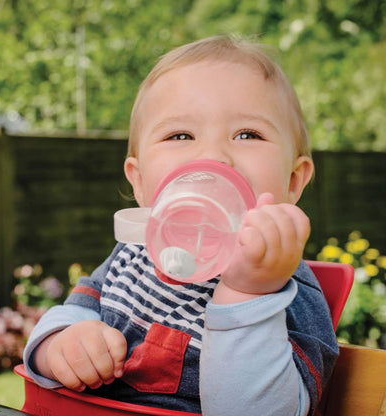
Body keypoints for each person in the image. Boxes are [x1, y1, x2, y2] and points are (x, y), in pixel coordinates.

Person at [23, 35, 338, 415]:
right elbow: (74, 312)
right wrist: (62, 343)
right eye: (180, 135)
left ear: (293, 181)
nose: (213, 156)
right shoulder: (132, 255)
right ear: (139, 182)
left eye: (247, 134)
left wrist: (248, 294)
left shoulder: (285, 289)